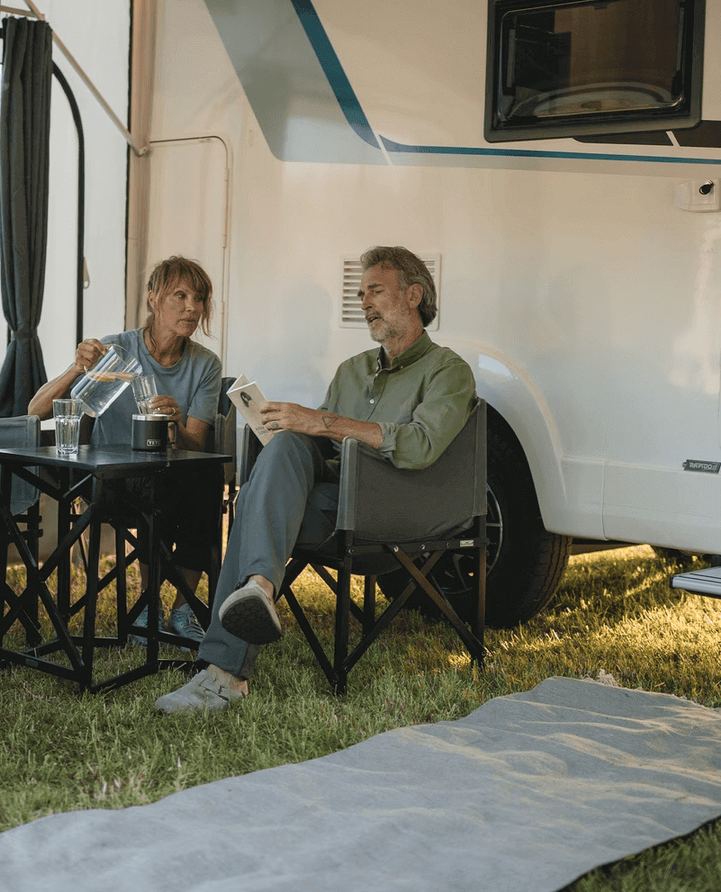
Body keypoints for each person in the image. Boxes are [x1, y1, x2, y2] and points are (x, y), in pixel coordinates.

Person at [155, 245, 477, 713]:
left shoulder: (448, 371)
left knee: (253, 508)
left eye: (376, 291)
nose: (364, 301)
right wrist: (285, 428)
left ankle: (225, 673)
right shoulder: (353, 372)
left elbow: (422, 444)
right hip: (335, 506)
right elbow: (323, 452)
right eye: (361, 292)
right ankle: (259, 593)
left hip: (396, 510)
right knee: (284, 447)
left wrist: (321, 421)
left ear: (413, 295)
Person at [28, 256, 223, 644]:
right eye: (180, 295)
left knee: (207, 478)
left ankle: (183, 609)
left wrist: (175, 423)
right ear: (153, 299)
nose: (192, 307)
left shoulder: (206, 366)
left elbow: (196, 444)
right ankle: (146, 608)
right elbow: (36, 411)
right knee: (160, 486)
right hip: (107, 481)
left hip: (171, 481)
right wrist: (75, 369)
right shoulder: (116, 350)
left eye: (199, 298)